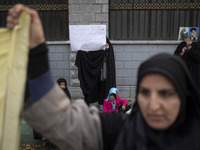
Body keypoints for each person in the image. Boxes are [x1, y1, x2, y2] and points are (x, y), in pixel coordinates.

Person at [7, 4, 200, 150]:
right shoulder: (119, 130)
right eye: (145, 92)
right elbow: (62, 123)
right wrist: (35, 54)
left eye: (166, 93)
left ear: (184, 95)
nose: (153, 104)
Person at [75, 37, 116, 106]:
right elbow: (89, 58)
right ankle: (89, 101)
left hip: (103, 74)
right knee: (93, 86)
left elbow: (110, 59)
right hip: (94, 75)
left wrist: (107, 50)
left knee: (103, 88)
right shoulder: (94, 50)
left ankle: (102, 104)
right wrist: (80, 52)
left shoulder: (108, 48)